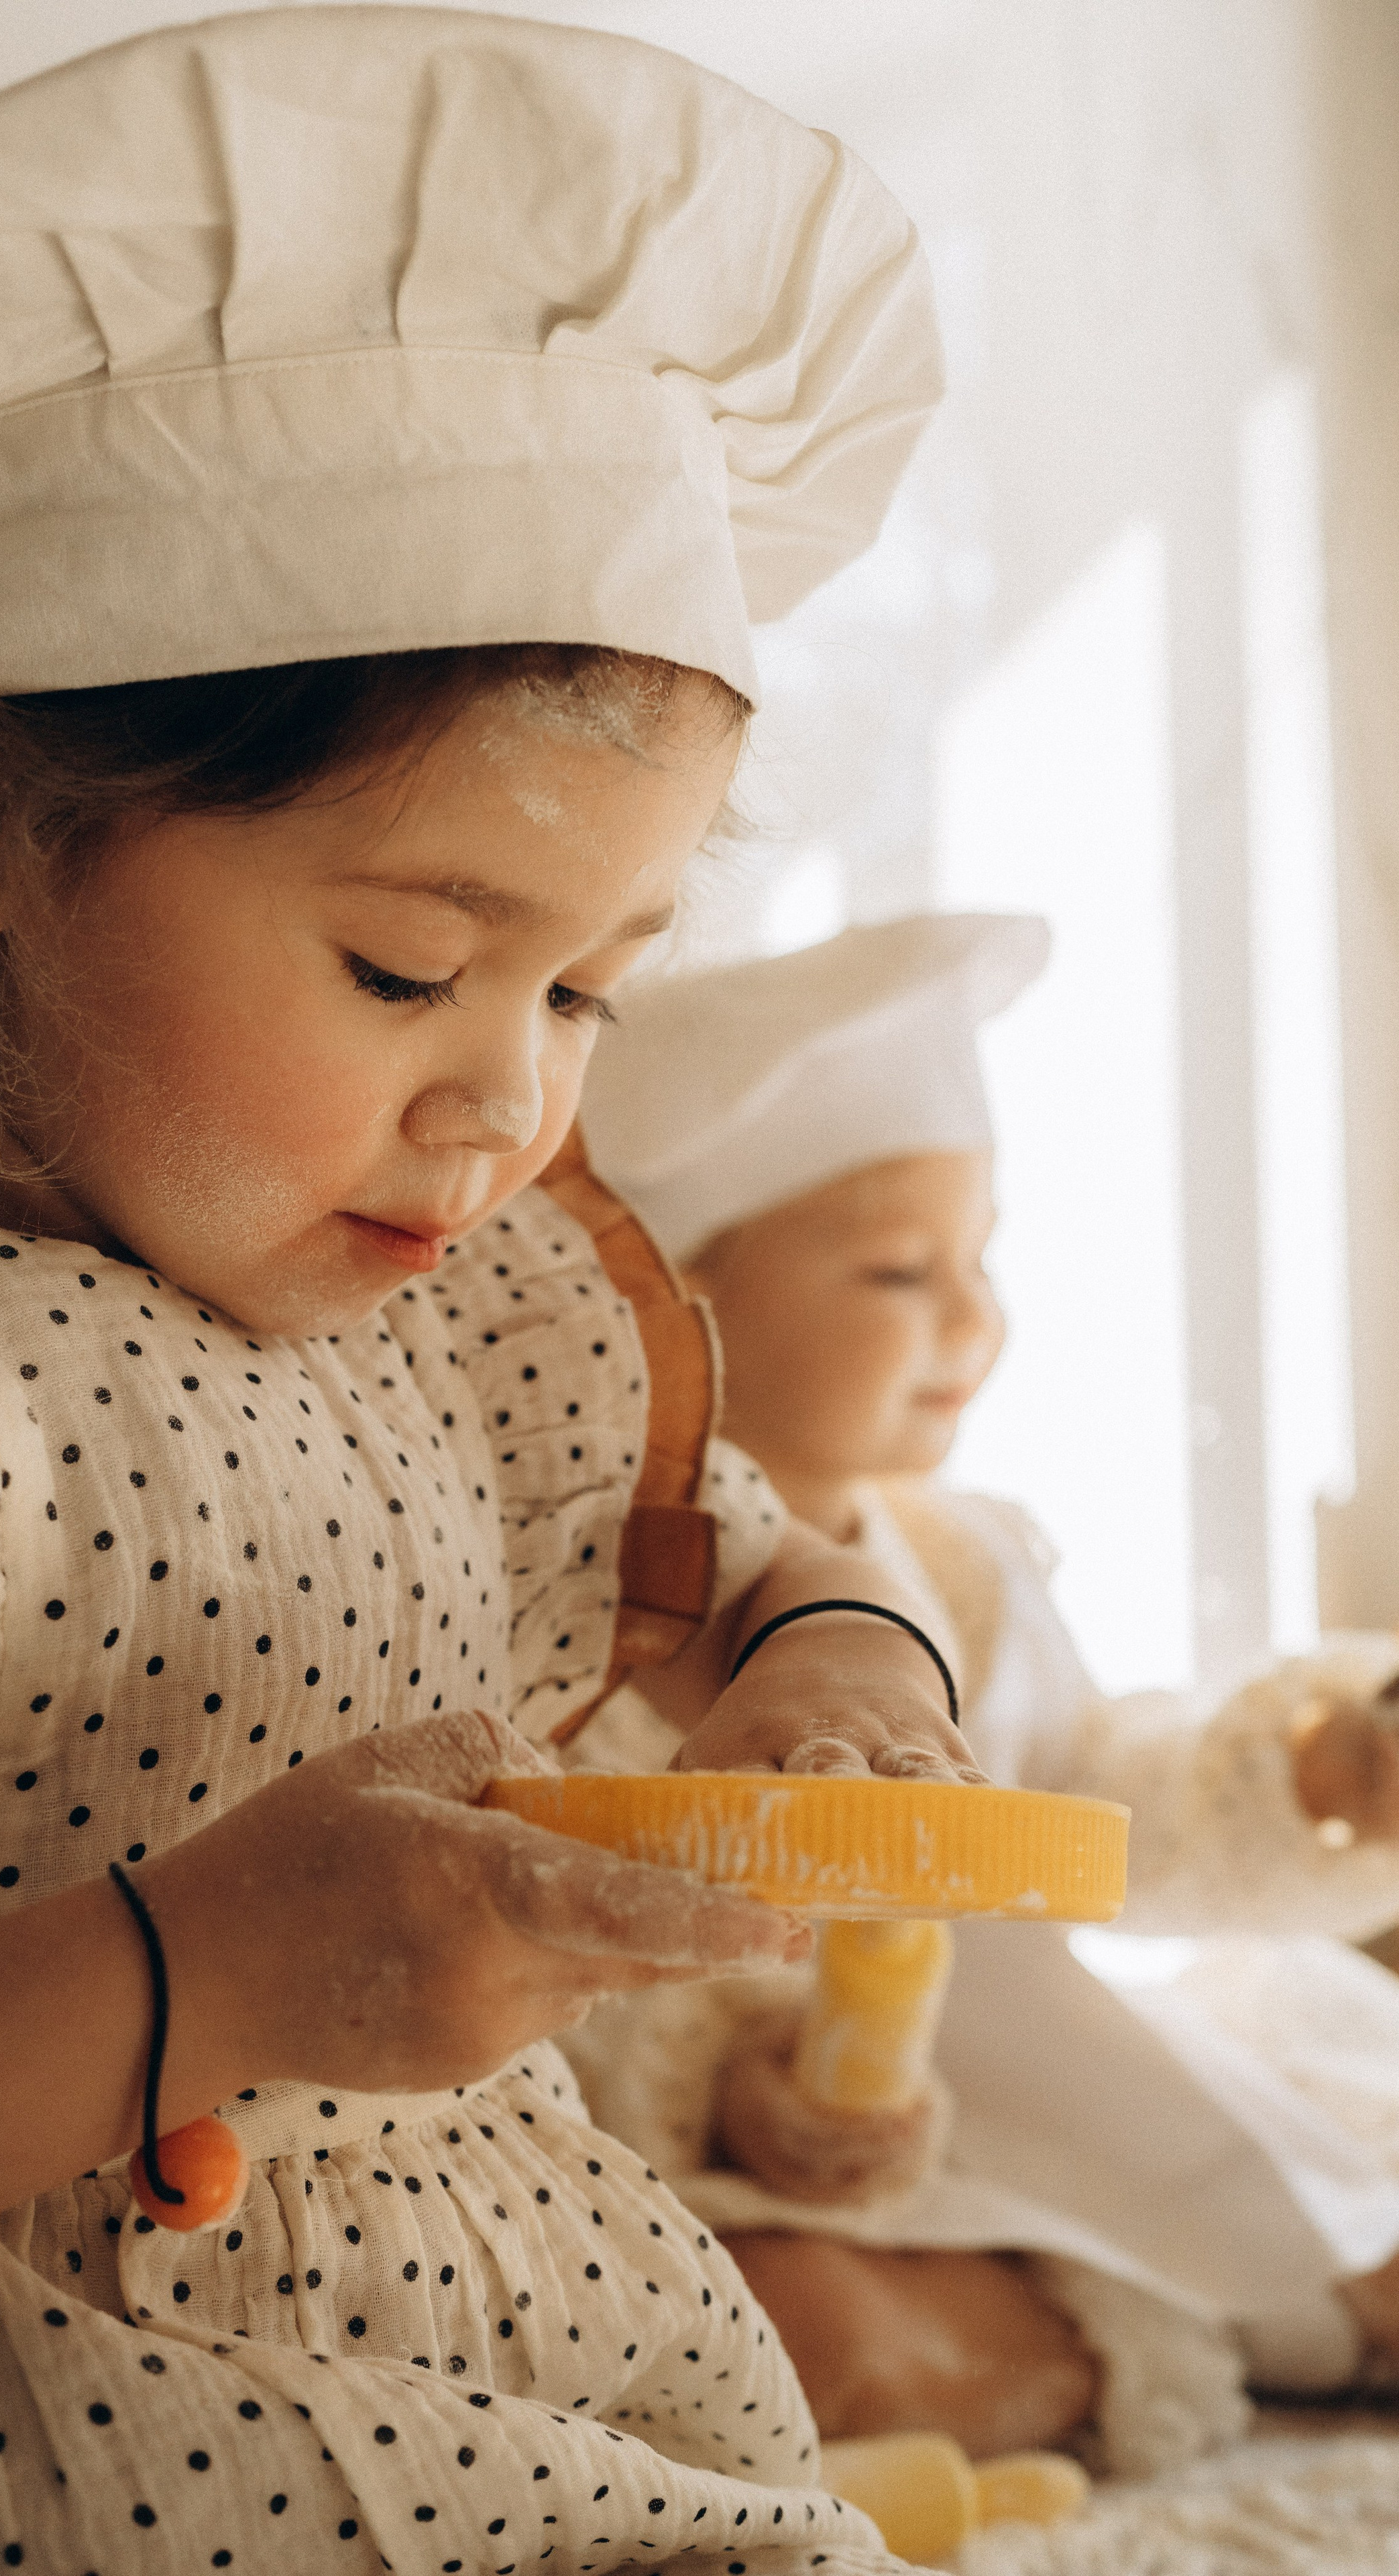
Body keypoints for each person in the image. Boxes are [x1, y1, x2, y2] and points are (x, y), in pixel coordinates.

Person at [0, 13, 983, 2571]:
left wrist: (852, 1677)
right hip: (36, 2447)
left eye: (586, 988)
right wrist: (191, 1975)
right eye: (410, 969)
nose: (506, 1101)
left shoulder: (480, 1324)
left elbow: (780, 1559)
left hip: (571, 2375)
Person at [568, 912, 1399, 2478]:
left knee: (1280, 2123)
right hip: (761, 2172)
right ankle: (1175, 2329)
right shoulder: (579, 1629)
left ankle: (1281, 2303)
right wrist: (734, 2100)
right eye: (899, 1269)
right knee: (780, 2332)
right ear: (668, 1308)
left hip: (1028, 2103)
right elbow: (582, 1973)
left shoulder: (956, 1567)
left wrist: (1306, 1769)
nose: (974, 1319)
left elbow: (1095, 1793)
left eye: (981, 1256)